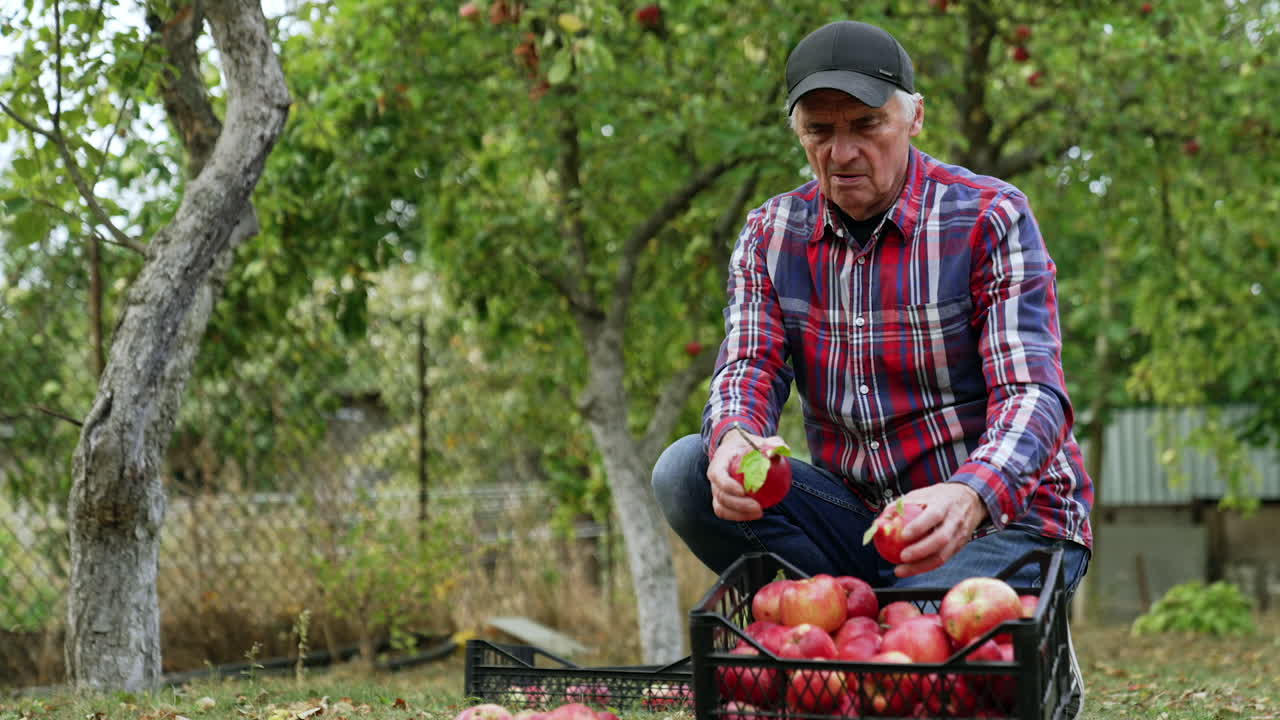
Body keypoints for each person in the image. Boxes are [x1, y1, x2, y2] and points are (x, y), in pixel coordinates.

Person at [650, 19, 1093, 716]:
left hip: (1003, 518)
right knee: (683, 470)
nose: (843, 151)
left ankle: (1024, 655)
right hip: (862, 522)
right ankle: (832, 637)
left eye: (867, 123)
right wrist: (735, 437)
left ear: (914, 115)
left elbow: (1033, 394)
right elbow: (747, 367)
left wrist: (969, 494)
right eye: (819, 130)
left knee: (942, 658)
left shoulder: (989, 217)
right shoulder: (771, 234)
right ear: (797, 131)